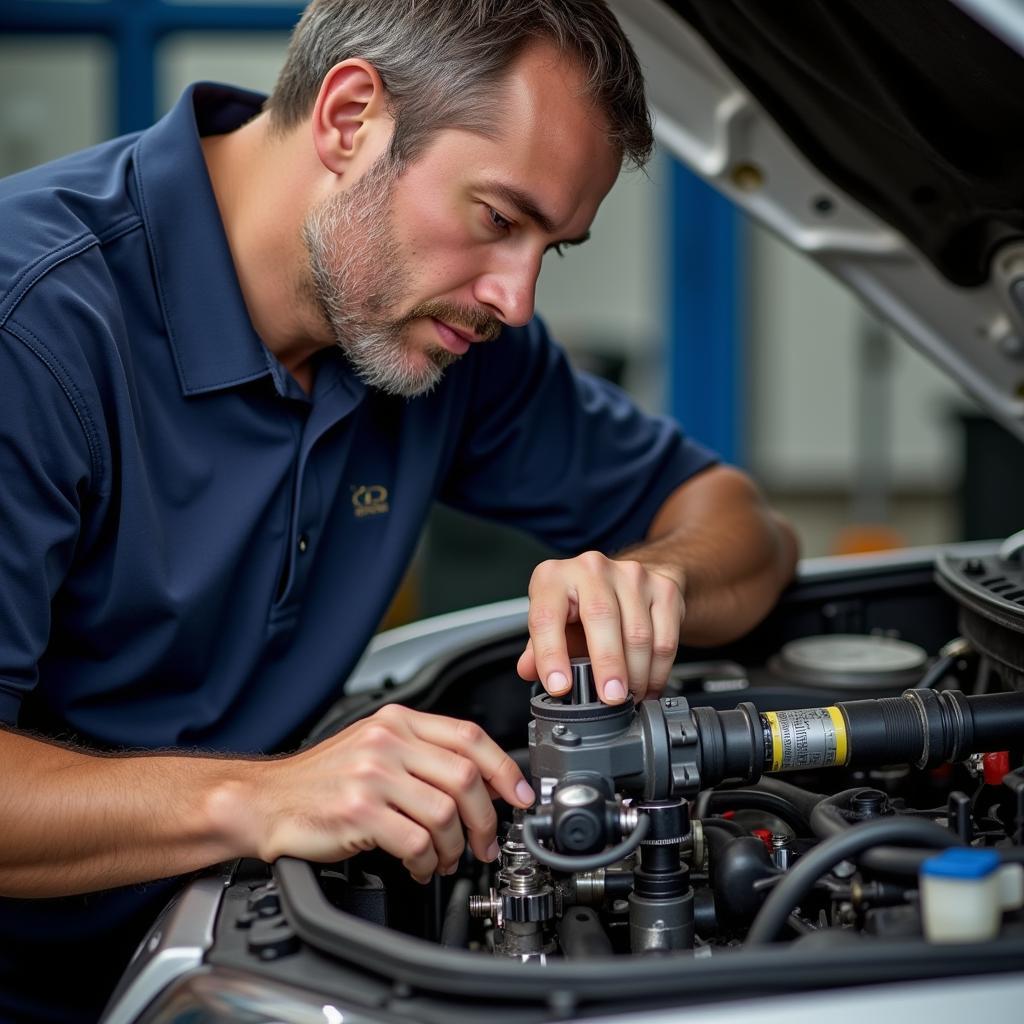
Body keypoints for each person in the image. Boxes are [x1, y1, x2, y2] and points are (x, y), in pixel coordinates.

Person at [0, 1, 798, 1019]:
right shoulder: (30, 328)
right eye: (499, 219)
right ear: (349, 119)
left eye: (552, 247)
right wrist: (262, 795)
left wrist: (654, 580)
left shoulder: (437, 334)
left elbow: (740, 521)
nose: (515, 299)